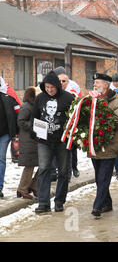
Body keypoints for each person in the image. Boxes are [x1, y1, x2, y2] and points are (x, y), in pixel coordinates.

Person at [32, 71, 74, 213]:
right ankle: (43, 203)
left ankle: (59, 201)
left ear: (57, 86)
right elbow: (35, 117)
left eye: (52, 87)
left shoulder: (68, 98)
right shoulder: (40, 98)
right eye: (47, 87)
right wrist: (35, 132)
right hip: (44, 141)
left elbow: (74, 118)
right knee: (44, 169)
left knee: (63, 171)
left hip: (62, 141)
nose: (49, 90)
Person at [90, 74, 118, 218]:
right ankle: (107, 203)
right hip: (95, 145)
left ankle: (97, 206)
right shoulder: (91, 99)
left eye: (97, 83)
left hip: (109, 145)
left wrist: (101, 109)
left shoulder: (116, 102)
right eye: (94, 83)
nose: (95, 85)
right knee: (99, 178)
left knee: (104, 177)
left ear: (106, 85)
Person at [17, 87, 38, 199]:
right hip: (28, 140)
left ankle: (33, 186)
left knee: (43, 165)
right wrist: (34, 125)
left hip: (33, 139)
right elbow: (21, 121)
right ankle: (22, 189)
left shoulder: (33, 106)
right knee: (29, 165)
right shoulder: (26, 107)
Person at [0, 77, 20, 198]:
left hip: (4, 134)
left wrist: (16, 132)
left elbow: (18, 113)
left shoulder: (8, 98)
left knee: (1, 158)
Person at [58, 72, 80, 179]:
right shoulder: (54, 93)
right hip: (57, 128)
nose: (61, 83)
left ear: (68, 82)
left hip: (70, 127)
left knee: (70, 150)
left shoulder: (72, 94)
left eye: (64, 81)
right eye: (59, 81)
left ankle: (71, 171)